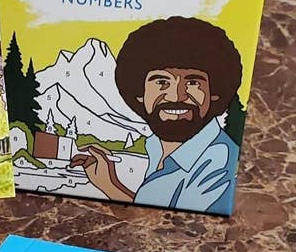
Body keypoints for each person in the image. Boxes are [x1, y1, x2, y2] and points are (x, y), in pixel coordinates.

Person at [78, 17, 242, 214]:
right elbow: (155, 214)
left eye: (192, 83)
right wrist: (109, 184)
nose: (176, 96)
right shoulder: (156, 147)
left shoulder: (219, 164)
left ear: (214, 92)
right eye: (162, 82)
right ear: (140, 93)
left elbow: (178, 228)